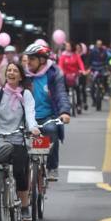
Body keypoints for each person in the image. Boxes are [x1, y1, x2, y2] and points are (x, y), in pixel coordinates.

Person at [0, 62, 40, 221]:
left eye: (15, 71)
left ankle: (25, 206)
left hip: (17, 139)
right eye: (9, 70)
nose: (11, 73)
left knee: (20, 172)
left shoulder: (25, 94)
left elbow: (30, 114)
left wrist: (32, 127)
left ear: (20, 76)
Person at [23, 41, 71, 181]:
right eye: (28, 59)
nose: (28, 62)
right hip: (27, 118)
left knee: (51, 130)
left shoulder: (53, 74)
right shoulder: (23, 74)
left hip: (48, 117)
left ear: (42, 60)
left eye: (32, 59)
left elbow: (61, 94)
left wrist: (65, 112)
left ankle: (52, 167)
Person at [58, 41, 86, 110]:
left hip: (75, 74)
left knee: (77, 89)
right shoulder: (63, 56)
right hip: (65, 75)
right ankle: (65, 104)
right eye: (66, 46)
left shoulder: (76, 55)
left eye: (69, 46)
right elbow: (60, 65)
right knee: (65, 90)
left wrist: (83, 70)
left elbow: (80, 63)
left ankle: (79, 105)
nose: (67, 48)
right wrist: (60, 72)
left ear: (72, 47)